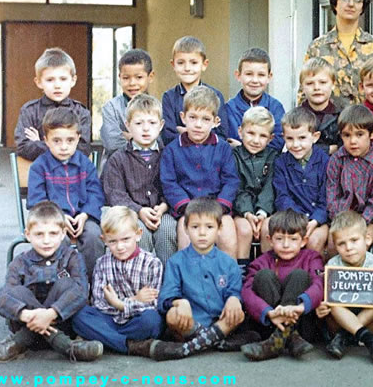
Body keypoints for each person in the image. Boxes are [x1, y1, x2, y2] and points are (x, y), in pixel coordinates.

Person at [0, 202, 103, 363]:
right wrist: (28, 315)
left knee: (67, 285)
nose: (46, 241)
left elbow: (81, 292)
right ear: (28, 234)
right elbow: (2, 298)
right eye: (39, 234)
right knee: (15, 291)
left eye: (53, 233)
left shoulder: (71, 257)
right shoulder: (20, 262)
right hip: (26, 322)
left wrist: (50, 314)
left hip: (62, 323)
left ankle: (18, 344)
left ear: (63, 234)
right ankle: (67, 347)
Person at [130, 198, 248, 360]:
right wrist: (179, 302)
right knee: (172, 315)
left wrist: (234, 299)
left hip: (219, 321)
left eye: (209, 227)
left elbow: (235, 290)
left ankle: (186, 349)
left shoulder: (228, 263)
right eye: (195, 227)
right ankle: (217, 341)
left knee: (239, 313)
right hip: (190, 323)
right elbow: (165, 298)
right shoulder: (176, 262)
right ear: (185, 228)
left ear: (219, 229)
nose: (202, 233)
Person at [159, 86, 242, 259]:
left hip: (217, 208)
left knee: (227, 233)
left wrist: (220, 207)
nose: (198, 124)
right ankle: (190, 281)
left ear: (216, 121)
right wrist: (186, 207)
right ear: (183, 118)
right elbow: (169, 182)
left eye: (205, 119)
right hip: (187, 209)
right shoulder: (172, 150)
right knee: (185, 234)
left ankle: (229, 281)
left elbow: (231, 181)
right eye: (193, 117)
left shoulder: (223, 148)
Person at [72, 206, 164, 354]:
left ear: (138, 234)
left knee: (153, 321)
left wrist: (120, 304)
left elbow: (152, 305)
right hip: (109, 320)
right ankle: (130, 345)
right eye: (113, 241)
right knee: (80, 316)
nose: (120, 247)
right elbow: (99, 303)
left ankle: (107, 340)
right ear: (104, 240)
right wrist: (135, 299)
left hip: (136, 321)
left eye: (126, 239)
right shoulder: (102, 263)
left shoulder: (152, 263)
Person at [27, 108, 105, 278]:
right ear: (46, 140)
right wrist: (59, 217)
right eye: (57, 141)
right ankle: (61, 284)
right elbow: (36, 201)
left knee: (93, 237)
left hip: (83, 219)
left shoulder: (85, 164)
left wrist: (85, 215)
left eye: (70, 140)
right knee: (57, 239)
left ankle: (91, 284)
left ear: (78, 138)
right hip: (51, 221)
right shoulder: (39, 167)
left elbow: (95, 194)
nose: (64, 146)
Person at [101, 93, 177, 264]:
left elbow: (174, 185)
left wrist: (164, 206)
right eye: (138, 123)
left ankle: (166, 283)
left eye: (152, 123)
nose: (145, 128)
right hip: (131, 213)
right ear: (128, 126)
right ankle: (141, 281)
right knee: (137, 233)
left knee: (168, 230)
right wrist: (138, 210)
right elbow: (115, 194)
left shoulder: (168, 155)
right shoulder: (118, 159)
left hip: (162, 211)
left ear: (161, 126)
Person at [240, 210, 324, 361]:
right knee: (264, 276)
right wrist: (269, 313)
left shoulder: (312, 258)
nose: (286, 245)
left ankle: (280, 339)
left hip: (301, 324)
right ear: (270, 240)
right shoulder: (261, 262)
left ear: (304, 241)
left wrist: (300, 307)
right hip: (270, 323)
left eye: (293, 239)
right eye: (279, 239)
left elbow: (319, 285)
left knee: (300, 276)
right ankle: (287, 337)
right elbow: (247, 292)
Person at [301, 0, 373, 108]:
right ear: (335, 2)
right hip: (327, 126)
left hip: (366, 125)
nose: (351, 4)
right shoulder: (318, 47)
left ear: (363, 6)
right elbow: (304, 92)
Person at [316, 211, 373, 363]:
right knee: (332, 303)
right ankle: (368, 339)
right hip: (339, 320)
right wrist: (321, 306)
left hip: (368, 319)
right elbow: (325, 296)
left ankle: (345, 336)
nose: (348, 247)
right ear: (335, 246)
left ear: (367, 239)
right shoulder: (332, 265)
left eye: (354, 240)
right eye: (341, 243)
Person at [325, 104, 373, 254]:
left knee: (360, 243)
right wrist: (341, 221)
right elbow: (332, 195)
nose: (353, 141)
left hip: (369, 220)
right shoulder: (337, 160)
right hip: (341, 218)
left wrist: (360, 223)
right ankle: (332, 275)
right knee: (334, 242)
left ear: (372, 134)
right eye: (347, 135)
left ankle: (367, 275)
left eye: (359, 135)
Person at [14, 47, 91, 161]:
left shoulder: (81, 112)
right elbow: (23, 147)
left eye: (63, 79)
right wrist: (66, 147)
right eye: (50, 80)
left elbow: (83, 148)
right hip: (40, 175)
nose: (57, 85)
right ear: (39, 82)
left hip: (71, 175)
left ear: (73, 80)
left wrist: (39, 143)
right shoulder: (30, 111)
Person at [272, 107, 330, 254]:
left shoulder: (326, 162)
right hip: (291, 217)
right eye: (290, 139)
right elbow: (282, 197)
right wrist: (300, 220)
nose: (296, 145)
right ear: (283, 137)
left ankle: (314, 275)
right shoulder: (281, 163)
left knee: (314, 240)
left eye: (302, 138)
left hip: (319, 219)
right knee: (275, 233)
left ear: (315, 137)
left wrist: (315, 220)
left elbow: (327, 197)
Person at [161, 36, 227, 147]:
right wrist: (204, 133)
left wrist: (184, 131)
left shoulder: (216, 96)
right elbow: (168, 136)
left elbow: (222, 135)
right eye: (181, 63)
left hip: (209, 157)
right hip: (180, 158)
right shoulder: (169, 97)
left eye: (194, 63)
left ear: (204, 65)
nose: (187, 68)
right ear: (173, 65)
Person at [232, 106, 279, 261]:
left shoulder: (273, 157)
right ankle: (242, 271)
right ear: (240, 132)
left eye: (262, 136)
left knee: (268, 229)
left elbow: (270, 187)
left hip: (266, 210)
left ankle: (266, 269)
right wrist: (247, 213)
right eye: (251, 133)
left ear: (270, 138)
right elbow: (236, 187)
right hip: (240, 210)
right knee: (244, 230)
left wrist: (261, 213)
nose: (256, 140)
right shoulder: (234, 156)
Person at [222, 47, 285, 151]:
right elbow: (227, 141)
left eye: (261, 75)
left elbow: (278, 142)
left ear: (269, 77)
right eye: (249, 74)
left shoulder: (276, 107)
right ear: (238, 75)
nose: (255, 80)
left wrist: (240, 148)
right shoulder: (228, 109)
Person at [99, 49, 156, 160]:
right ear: (119, 77)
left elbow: (159, 142)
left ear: (151, 76)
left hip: (148, 170)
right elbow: (112, 143)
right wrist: (143, 141)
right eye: (126, 78)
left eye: (139, 77)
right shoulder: (111, 107)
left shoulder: (157, 107)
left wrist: (128, 136)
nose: (132, 83)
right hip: (116, 170)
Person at [299, 57, 342, 155]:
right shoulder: (295, 117)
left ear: (333, 84)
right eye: (310, 83)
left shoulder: (341, 117)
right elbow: (297, 147)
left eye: (322, 82)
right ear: (302, 87)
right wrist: (329, 149)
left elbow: (343, 148)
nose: (316, 88)